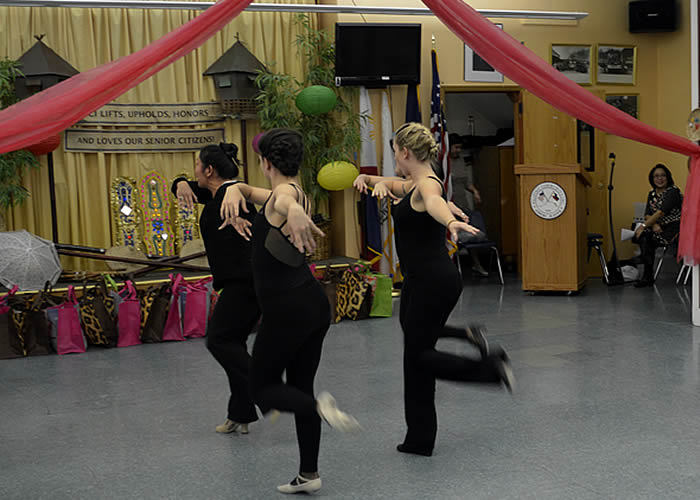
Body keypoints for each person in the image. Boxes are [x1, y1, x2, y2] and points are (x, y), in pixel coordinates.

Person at [353, 122, 514, 457]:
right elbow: (391, 185)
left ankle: (490, 369)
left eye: (394, 151)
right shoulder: (413, 183)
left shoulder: (427, 185)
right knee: (414, 355)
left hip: (433, 281)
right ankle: (419, 438)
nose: (394, 158)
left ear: (405, 152)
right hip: (419, 279)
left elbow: (434, 202)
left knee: (419, 356)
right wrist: (367, 180)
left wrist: (450, 221)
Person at [220, 128, 360, 494]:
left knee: (261, 387)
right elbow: (254, 192)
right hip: (312, 305)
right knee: (299, 386)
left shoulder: (286, 197)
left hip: (287, 310)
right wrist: (234, 188)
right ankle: (309, 474)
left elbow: (284, 202)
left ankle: (317, 407)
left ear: (266, 162)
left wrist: (294, 211)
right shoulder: (295, 190)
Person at [172, 143, 260, 435]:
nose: (195, 170)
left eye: (197, 165)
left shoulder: (232, 198)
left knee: (219, 341)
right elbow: (183, 187)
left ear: (209, 170)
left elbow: (253, 232)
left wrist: (244, 219)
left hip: (246, 285)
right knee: (233, 343)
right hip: (238, 284)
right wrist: (181, 182)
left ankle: (266, 384)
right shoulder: (216, 194)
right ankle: (240, 413)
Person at [632, 163, 682, 287]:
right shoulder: (652, 194)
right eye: (656, 176)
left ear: (668, 177)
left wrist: (643, 226)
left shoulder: (673, 192)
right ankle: (647, 275)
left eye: (663, 175)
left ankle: (646, 273)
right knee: (644, 236)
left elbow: (660, 212)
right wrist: (653, 224)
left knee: (644, 236)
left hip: (674, 227)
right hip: (657, 226)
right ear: (652, 179)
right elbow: (647, 214)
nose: (660, 178)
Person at [448, 133, 488, 277]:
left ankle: (476, 264)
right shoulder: (444, 162)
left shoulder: (460, 161)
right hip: (449, 205)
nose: (458, 150)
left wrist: (475, 192)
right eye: (456, 147)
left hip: (463, 203)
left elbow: (466, 182)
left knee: (471, 230)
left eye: (460, 148)